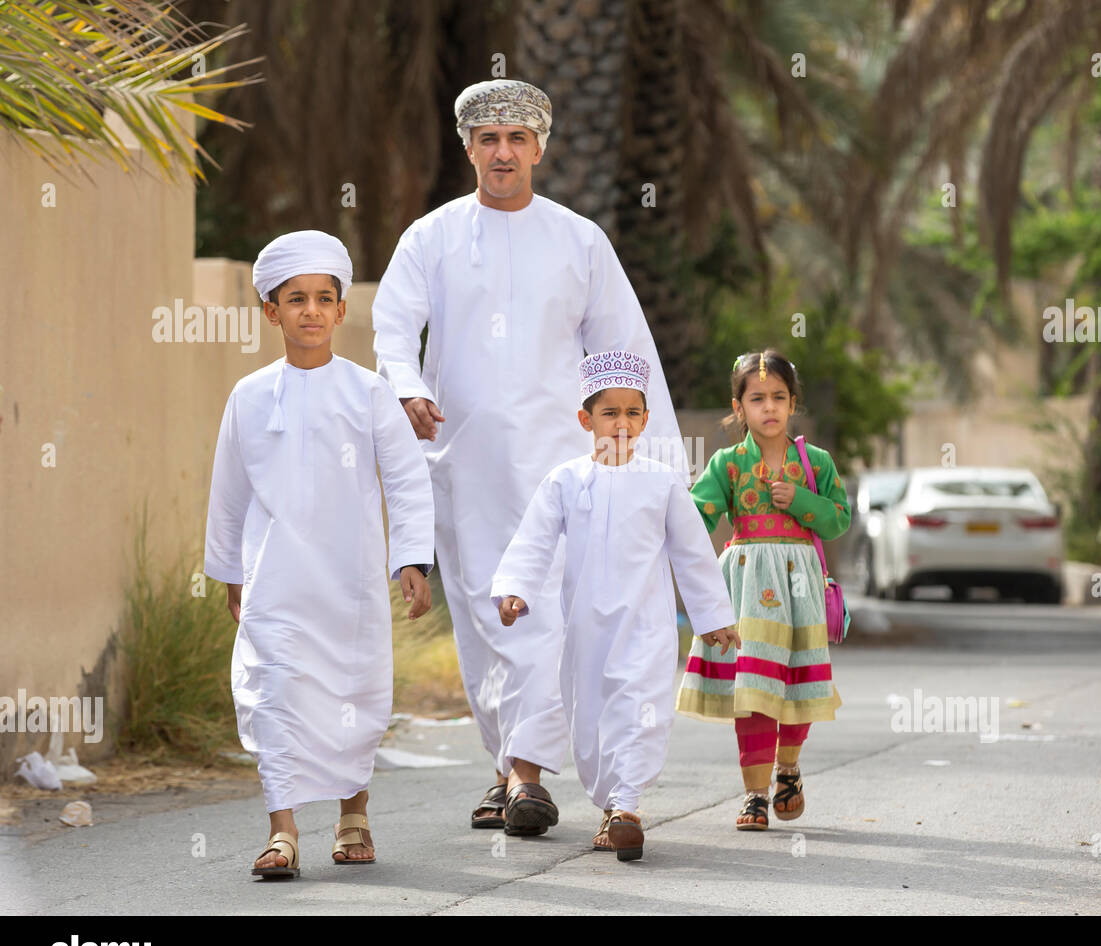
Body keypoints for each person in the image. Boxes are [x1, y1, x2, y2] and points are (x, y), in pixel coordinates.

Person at [371, 79, 687, 836]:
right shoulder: (431, 238)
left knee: (545, 616)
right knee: (486, 621)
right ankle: (509, 765)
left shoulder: (580, 240)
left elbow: (622, 351)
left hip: (564, 467)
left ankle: (525, 777)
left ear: (540, 147)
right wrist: (407, 386)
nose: (503, 151)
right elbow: (391, 328)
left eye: (517, 138)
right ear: (468, 148)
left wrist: (654, 467)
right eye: (489, 138)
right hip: (467, 463)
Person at [204, 230, 438, 878]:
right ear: (271, 311)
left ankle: (352, 811)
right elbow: (228, 490)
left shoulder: (368, 393)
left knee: (353, 694)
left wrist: (411, 560)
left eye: (323, 298)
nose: (310, 310)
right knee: (272, 693)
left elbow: (407, 479)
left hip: (350, 581)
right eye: (296, 298)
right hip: (274, 578)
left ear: (340, 311)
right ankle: (283, 831)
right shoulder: (248, 397)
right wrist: (227, 569)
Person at [491, 351, 740, 860]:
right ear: (586, 420)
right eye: (610, 413)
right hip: (584, 631)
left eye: (632, 413)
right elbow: (534, 540)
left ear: (646, 420)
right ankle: (609, 804)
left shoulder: (663, 481)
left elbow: (692, 551)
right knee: (590, 720)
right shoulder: (564, 479)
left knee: (639, 712)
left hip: (646, 627)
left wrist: (712, 617)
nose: (621, 423)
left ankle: (627, 808)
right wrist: (516, 588)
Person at [676, 349, 851, 831]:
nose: (769, 407)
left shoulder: (815, 462)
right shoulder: (726, 464)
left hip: (801, 587)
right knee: (753, 690)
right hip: (747, 586)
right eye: (757, 399)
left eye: (778, 397)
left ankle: (788, 770)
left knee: (798, 682)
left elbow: (838, 520)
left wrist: (803, 501)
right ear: (739, 408)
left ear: (793, 403)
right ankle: (754, 796)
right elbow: (696, 518)